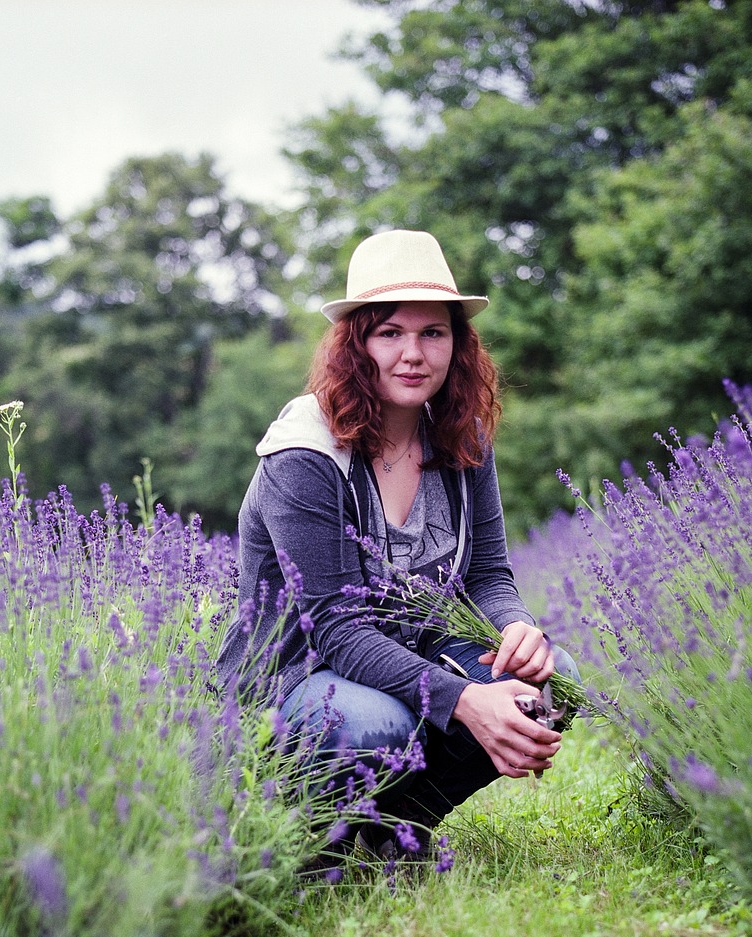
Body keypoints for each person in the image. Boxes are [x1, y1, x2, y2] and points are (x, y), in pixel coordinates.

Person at [217, 229, 577, 852]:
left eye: (432, 333)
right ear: (356, 345)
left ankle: (395, 830)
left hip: (412, 651)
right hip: (300, 672)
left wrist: (517, 630)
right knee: (377, 724)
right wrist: (465, 699)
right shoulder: (306, 452)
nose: (413, 354)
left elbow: (488, 576)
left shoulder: (461, 436)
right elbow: (337, 629)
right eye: (390, 333)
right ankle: (307, 836)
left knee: (551, 681)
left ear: (456, 346)